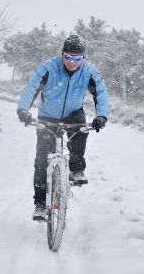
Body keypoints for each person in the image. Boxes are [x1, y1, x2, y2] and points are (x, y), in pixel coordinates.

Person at [17, 34, 109, 220]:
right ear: (62, 54)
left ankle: (76, 169)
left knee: (81, 129)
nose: (72, 62)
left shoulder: (89, 71)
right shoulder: (49, 67)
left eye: (77, 58)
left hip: (73, 113)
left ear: (83, 57)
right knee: (42, 161)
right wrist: (23, 109)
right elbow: (32, 87)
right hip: (48, 116)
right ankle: (41, 205)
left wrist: (101, 116)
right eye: (68, 57)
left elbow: (101, 92)